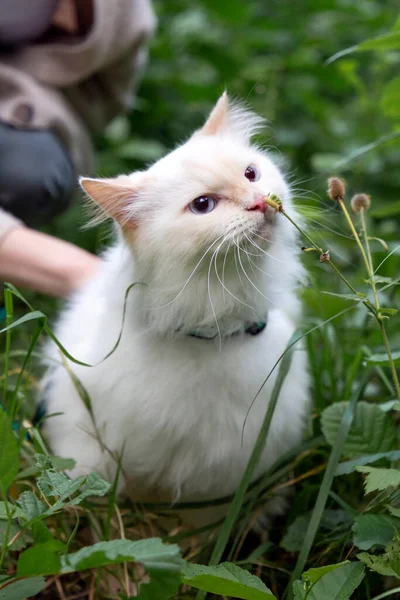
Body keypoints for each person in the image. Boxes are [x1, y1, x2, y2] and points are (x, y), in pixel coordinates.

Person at [0, 0, 156, 296]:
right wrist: (79, 273)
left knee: (29, 174)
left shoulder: (123, 17)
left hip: (29, 109)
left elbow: (107, 98)